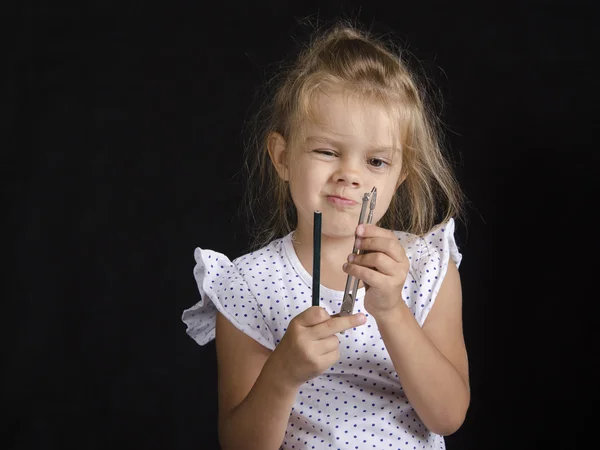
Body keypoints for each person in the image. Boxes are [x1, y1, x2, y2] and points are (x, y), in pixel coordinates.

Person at [182, 21, 470, 450]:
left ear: (400, 176)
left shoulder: (428, 267)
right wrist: (282, 374)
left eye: (375, 161)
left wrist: (392, 310)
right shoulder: (247, 286)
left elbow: (447, 416)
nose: (349, 176)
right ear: (282, 157)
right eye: (327, 151)